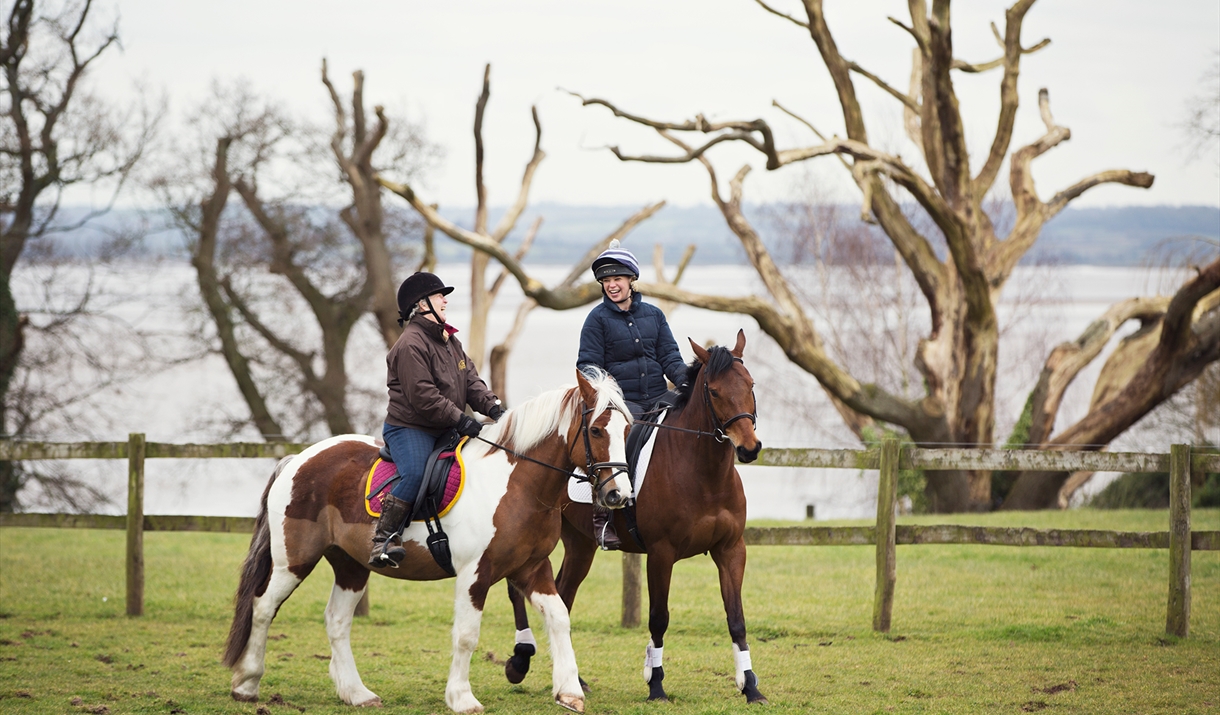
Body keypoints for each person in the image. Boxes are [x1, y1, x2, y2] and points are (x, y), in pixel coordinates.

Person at [370, 271, 504, 568]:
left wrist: (494, 408)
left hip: (445, 425)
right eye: (438, 295)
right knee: (416, 473)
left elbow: (470, 381)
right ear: (421, 305)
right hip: (411, 428)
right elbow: (424, 397)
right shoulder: (409, 345)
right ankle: (385, 537)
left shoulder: (449, 340)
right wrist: (461, 419)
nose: (445, 300)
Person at [576, 240, 686, 549]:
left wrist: (686, 381)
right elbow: (588, 366)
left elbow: (671, 358)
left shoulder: (654, 315)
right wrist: (609, 390)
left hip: (659, 398)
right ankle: (604, 517)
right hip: (624, 406)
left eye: (617, 279)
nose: (611, 285)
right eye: (606, 281)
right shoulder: (597, 320)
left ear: (630, 280)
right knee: (616, 447)